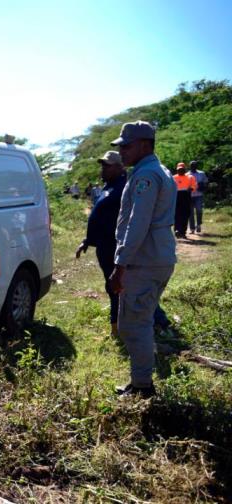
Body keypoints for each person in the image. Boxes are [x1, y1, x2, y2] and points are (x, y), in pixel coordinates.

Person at [108, 121, 176, 398]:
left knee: (135, 325)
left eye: (127, 145)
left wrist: (120, 264)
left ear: (145, 144)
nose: (121, 151)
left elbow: (138, 224)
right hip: (155, 257)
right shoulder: (156, 170)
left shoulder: (146, 176)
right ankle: (141, 382)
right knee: (138, 321)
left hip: (143, 260)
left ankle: (142, 387)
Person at [76, 151, 171, 337]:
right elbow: (101, 217)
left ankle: (158, 323)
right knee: (115, 287)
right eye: (102, 164)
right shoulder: (108, 187)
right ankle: (119, 326)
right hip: (104, 245)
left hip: (117, 247)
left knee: (123, 287)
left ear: (120, 167)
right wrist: (88, 240)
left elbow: (136, 220)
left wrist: (126, 249)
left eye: (107, 165)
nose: (103, 168)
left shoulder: (126, 187)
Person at [171, 162, 196, 238]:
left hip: (186, 196)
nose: (180, 171)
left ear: (185, 169)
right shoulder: (173, 177)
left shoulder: (190, 177)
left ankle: (183, 232)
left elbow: (194, 186)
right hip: (177, 196)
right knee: (177, 214)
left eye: (182, 169)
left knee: (185, 214)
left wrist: (191, 188)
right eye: (179, 169)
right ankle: (177, 230)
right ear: (177, 170)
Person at [188, 161, 208, 234]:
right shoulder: (187, 174)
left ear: (197, 166)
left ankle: (199, 225)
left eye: (195, 165)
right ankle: (192, 228)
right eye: (192, 165)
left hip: (199, 195)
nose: (193, 166)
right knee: (190, 213)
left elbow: (206, 181)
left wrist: (202, 186)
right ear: (190, 166)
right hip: (190, 196)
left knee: (199, 210)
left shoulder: (201, 173)